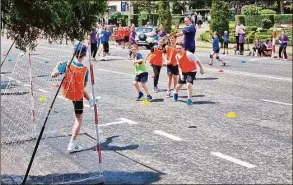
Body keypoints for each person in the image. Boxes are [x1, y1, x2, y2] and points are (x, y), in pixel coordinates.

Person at [51, 43, 95, 152]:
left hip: (68, 92)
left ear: (73, 53)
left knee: (79, 88)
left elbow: (53, 74)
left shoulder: (67, 64)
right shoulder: (85, 70)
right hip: (77, 96)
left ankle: (90, 100)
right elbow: (83, 86)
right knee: (79, 119)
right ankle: (72, 144)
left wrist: (57, 65)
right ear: (84, 55)